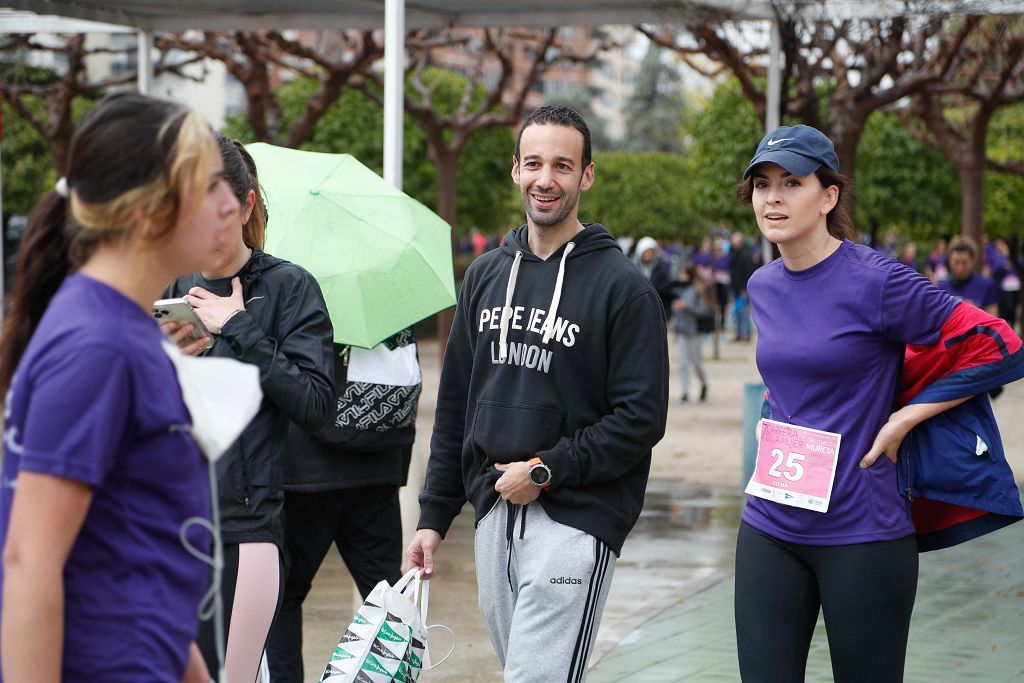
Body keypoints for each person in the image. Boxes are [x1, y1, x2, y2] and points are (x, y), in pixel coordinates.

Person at [735, 124, 1023, 682]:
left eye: (792, 182)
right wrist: (771, 415)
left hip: (862, 531)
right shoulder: (762, 285)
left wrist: (906, 418)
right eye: (762, 184)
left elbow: (1001, 344)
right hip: (770, 524)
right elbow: (793, 371)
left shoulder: (877, 280)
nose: (773, 197)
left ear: (828, 196)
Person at [405, 105, 669, 681]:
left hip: (578, 515)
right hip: (494, 509)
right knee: (524, 670)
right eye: (533, 163)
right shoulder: (483, 276)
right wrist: (434, 515)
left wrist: (546, 470)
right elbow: (456, 409)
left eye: (562, 165)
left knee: (534, 677)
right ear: (516, 171)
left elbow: (640, 419)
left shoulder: (625, 290)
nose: (545, 178)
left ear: (587, 175)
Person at [0, 93, 240, 682]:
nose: (231, 204)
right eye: (209, 185)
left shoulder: (123, 331)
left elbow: (129, 545)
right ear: (147, 210)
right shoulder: (98, 346)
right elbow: (30, 561)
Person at [164, 133, 335, 683]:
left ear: (248, 204)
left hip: (247, 529)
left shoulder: (290, 288)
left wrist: (238, 329)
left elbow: (316, 405)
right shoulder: (173, 285)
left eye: (219, 209)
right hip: (171, 523)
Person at [267, 329, 421, 683]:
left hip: (305, 474)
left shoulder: (293, 290)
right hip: (376, 471)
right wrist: (398, 472)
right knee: (389, 608)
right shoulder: (389, 302)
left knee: (284, 598)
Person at [670, 264, 712, 403]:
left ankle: (704, 384)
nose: (682, 277)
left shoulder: (697, 290)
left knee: (696, 363)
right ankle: (685, 392)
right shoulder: (678, 290)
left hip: (695, 332)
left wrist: (686, 307)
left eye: (685, 274)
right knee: (682, 363)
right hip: (682, 331)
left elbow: (703, 311)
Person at [937, 235, 998, 315]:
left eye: (964, 263)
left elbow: (994, 320)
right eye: (956, 263)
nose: (960, 268)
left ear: (973, 260)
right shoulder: (940, 288)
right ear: (949, 260)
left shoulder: (986, 286)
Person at [635, 235, 675, 317]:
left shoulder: (662, 270)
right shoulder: (635, 270)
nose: (649, 254)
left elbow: (667, 291)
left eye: (651, 252)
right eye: (646, 252)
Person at [728, 232, 756, 341]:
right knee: (738, 312)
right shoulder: (734, 254)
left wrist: (745, 288)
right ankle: (739, 334)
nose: (733, 243)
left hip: (743, 289)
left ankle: (746, 334)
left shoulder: (746, 255)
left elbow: (749, 272)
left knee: (744, 312)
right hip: (735, 288)